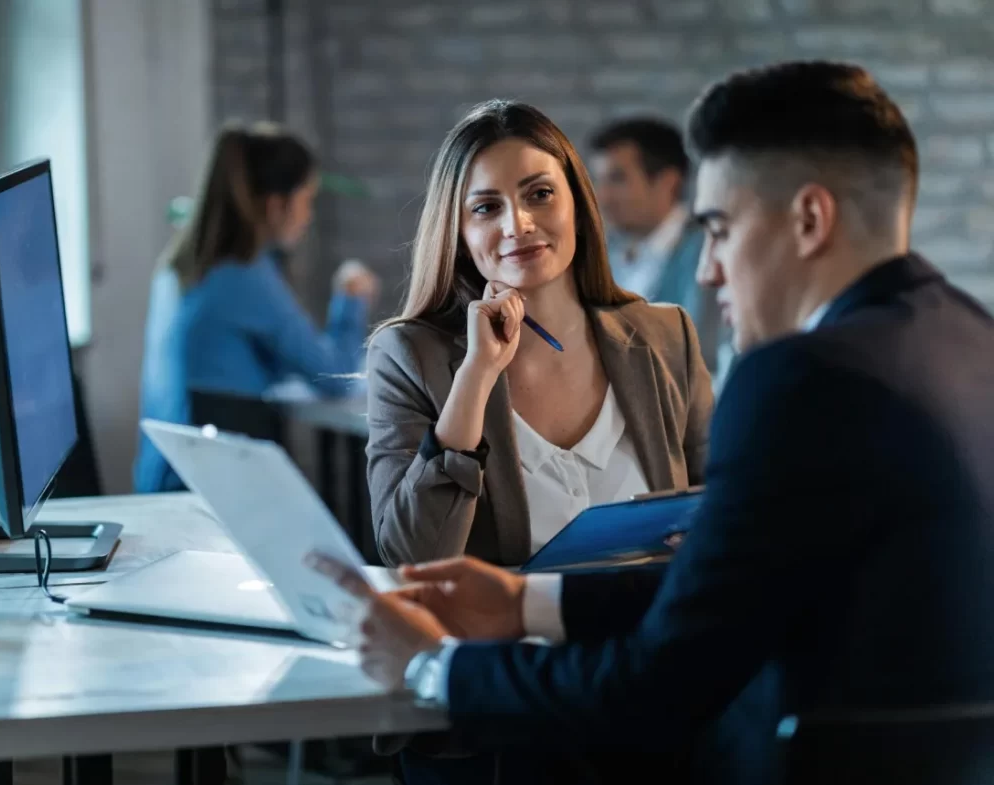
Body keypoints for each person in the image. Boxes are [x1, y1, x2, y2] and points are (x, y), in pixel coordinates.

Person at [313, 61, 994, 784]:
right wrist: (528, 600)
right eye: (485, 207)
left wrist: (431, 667)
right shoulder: (970, 337)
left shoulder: (797, 378)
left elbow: (662, 677)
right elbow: (733, 579)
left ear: (809, 218)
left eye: (720, 228)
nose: (706, 270)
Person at [366, 98, 713, 570]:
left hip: (648, 634)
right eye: (487, 207)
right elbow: (415, 557)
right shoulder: (408, 355)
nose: (519, 224)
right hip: (508, 641)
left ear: (577, 203)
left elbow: (723, 509)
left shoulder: (666, 335)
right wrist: (476, 376)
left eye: (540, 194)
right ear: (459, 232)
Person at [133, 122, 378, 494]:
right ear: (276, 205)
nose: (309, 215)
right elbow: (333, 374)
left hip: (162, 478)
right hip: (211, 489)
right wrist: (350, 299)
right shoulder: (244, 276)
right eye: (306, 199)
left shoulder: (179, 267)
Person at [590, 117, 726, 382]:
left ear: (668, 182)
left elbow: (705, 357)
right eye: (598, 180)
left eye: (617, 179)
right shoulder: (607, 255)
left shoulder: (710, 252)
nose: (601, 196)